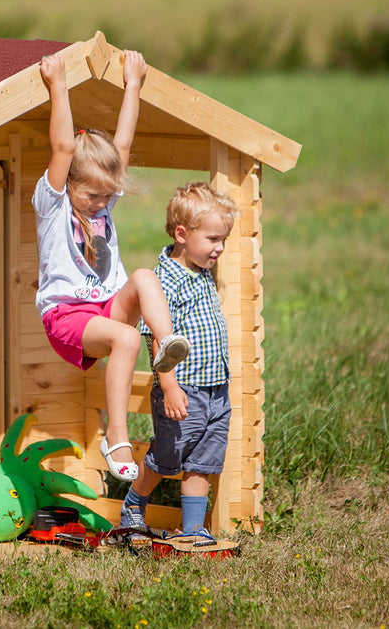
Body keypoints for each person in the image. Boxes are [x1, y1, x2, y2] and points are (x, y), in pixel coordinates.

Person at [33, 51, 189, 484]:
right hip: (65, 317)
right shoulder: (54, 204)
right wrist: (58, 85)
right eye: (94, 196)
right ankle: (115, 437)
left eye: (108, 195)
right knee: (124, 338)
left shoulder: (102, 197)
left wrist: (133, 84)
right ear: (70, 185)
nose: (102, 203)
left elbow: (120, 146)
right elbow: (64, 146)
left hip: (105, 308)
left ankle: (165, 345)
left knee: (144, 277)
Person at [119, 182, 237, 540]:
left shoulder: (201, 270)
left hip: (216, 388)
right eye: (213, 239)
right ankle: (134, 503)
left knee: (202, 462)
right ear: (182, 234)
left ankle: (193, 530)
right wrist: (168, 386)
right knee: (166, 458)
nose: (219, 249)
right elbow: (157, 336)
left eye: (223, 241)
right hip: (182, 388)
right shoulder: (164, 280)